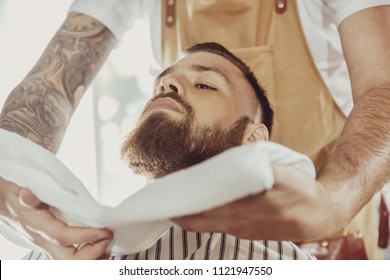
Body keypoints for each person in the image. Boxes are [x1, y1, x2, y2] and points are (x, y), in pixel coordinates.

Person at [1, 0, 390, 259]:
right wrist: (11, 175)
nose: (169, 86)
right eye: (161, 84)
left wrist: (331, 203)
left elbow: (384, 86)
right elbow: (51, 85)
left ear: (253, 139)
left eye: (205, 83)